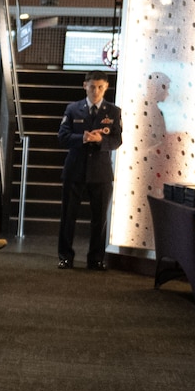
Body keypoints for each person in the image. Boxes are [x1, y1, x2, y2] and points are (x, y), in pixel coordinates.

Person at [56, 72, 120, 270]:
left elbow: (117, 140)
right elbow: (63, 136)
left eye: (100, 87)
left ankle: (96, 258)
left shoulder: (113, 111)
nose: (96, 91)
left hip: (100, 172)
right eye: (92, 86)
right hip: (75, 168)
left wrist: (101, 140)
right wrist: (82, 138)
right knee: (68, 215)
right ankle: (65, 256)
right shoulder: (73, 109)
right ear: (85, 86)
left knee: (99, 218)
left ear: (106, 87)